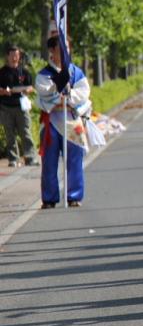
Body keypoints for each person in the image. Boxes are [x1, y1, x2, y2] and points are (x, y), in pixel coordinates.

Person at [36, 37, 91, 208]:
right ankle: (49, 198)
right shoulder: (44, 74)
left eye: (67, 48)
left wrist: (68, 97)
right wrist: (57, 94)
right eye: (61, 48)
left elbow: (84, 92)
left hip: (72, 120)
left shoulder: (76, 72)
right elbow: (43, 93)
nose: (65, 51)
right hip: (52, 121)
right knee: (49, 162)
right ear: (52, 51)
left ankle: (74, 195)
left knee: (75, 160)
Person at [0, 45, 37, 167]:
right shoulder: (2, 72)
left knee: (25, 132)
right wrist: (4, 91)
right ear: (8, 56)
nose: (15, 58)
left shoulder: (23, 71)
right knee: (10, 134)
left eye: (17, 55)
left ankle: (30, 157)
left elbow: (31, 86)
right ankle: (13, 159)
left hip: (22, 105)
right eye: (12, 55)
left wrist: (27, 90)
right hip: (6, 106)